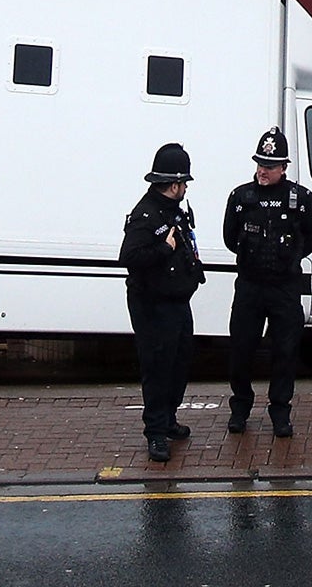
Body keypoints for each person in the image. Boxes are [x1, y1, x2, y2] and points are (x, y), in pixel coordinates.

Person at [220, 126, 312, 440]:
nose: (263, 171)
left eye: (270, 165)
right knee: (241, 349)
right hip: (250, 285)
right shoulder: (241, 197)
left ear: (284, 167)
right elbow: (229, 237)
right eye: (260, 164)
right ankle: (240, 408)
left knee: (285, 351)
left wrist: (288, 258)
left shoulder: (301, 199)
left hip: (284, 287)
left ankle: (280, 412)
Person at [120, 142, 204, 462]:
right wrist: (164, 250)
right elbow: (130, 257)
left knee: (180, 362)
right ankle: (155, 432)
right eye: (183, 183)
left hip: (177, 301)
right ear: (173, 185)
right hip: (152, 304)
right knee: (157, 366)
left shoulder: (173, 211)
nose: (185, 188)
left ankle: (168, 419)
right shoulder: (146, 214)